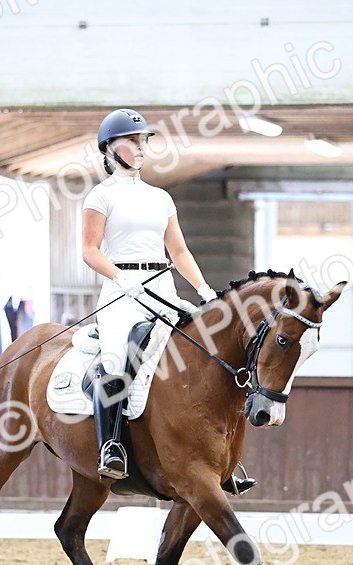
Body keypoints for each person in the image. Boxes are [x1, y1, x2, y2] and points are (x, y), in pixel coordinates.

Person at [82, 109, 255, 495]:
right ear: (110, 148)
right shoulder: (101, 196)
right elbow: (89, 250)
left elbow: (178, 251)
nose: (140, 148)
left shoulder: (160, 198)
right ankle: (111, 446)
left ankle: (218, 455)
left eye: (143, 140)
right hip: (122, 294)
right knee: (117, 360)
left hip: (163, 288)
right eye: (132, 141)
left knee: (203, 349)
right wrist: (120, 277)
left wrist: (204, 290)